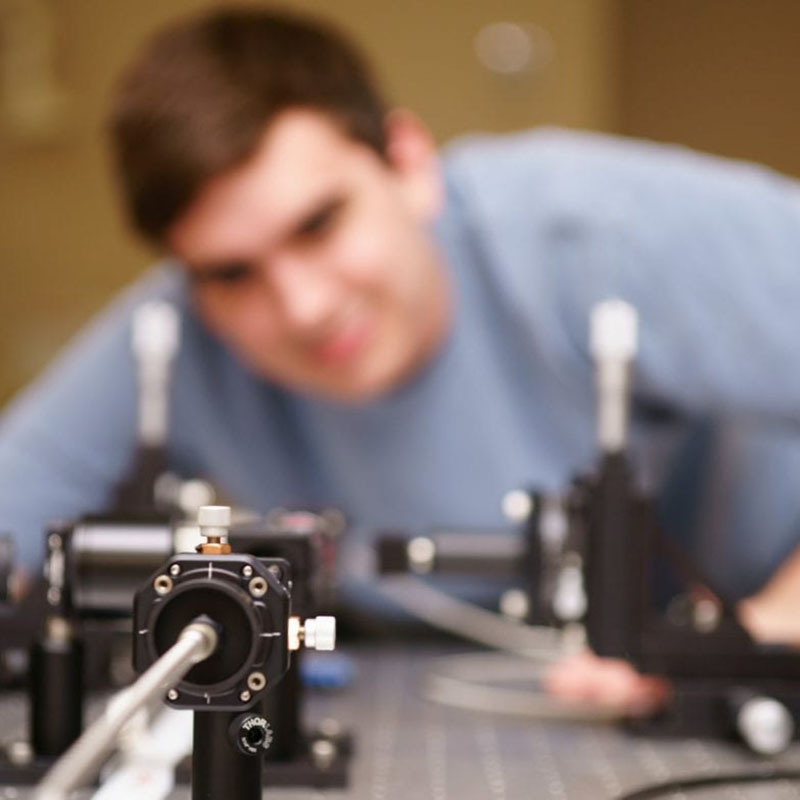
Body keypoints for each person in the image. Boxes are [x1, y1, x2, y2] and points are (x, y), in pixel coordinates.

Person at [2, 5, 800, 710]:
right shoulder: (170, 338)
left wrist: (758, 632)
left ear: (409, 162)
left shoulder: (598, 231)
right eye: (232, 274)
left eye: (319, 224)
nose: (303, 308)